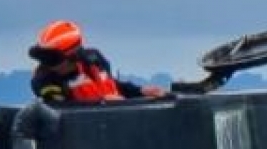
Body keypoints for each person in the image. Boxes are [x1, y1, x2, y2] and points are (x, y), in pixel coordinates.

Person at [29, 20, 167, 104]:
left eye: (53, 60)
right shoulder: (44, 82)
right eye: (44, 59)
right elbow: (61, 109)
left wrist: (141, 91)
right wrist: (102, 104)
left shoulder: (95, 60)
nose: (49, 65)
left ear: (74, 55)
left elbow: (113, 85)